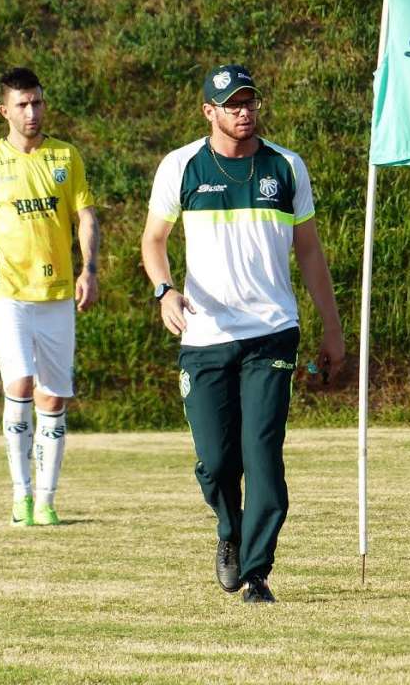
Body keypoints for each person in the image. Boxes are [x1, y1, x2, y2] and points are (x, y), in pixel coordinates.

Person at [141, 64, 344, 604]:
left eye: (250, 101)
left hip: (271, 333)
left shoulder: (286, 167)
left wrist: (332, 328)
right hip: (204, 335)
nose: (244, 111)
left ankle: (256, 572)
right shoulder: (180, 167)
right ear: (209, 112)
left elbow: (310, 253)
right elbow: (154, 240)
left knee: (262, 454)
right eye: (232, 104)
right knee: (215, 461)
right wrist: (165, 291)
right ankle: (228, 531)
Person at [0, 67, 99, 527]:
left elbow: (86, 216)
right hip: (6, 292)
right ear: (4, 111)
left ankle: (48, 500)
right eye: (21, 104)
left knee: (53, 399)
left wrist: (89, 270)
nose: (31, 112)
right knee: (19, 385)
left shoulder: (65, 156)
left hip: (55, 292)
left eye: (36, 102)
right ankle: (21, 496)